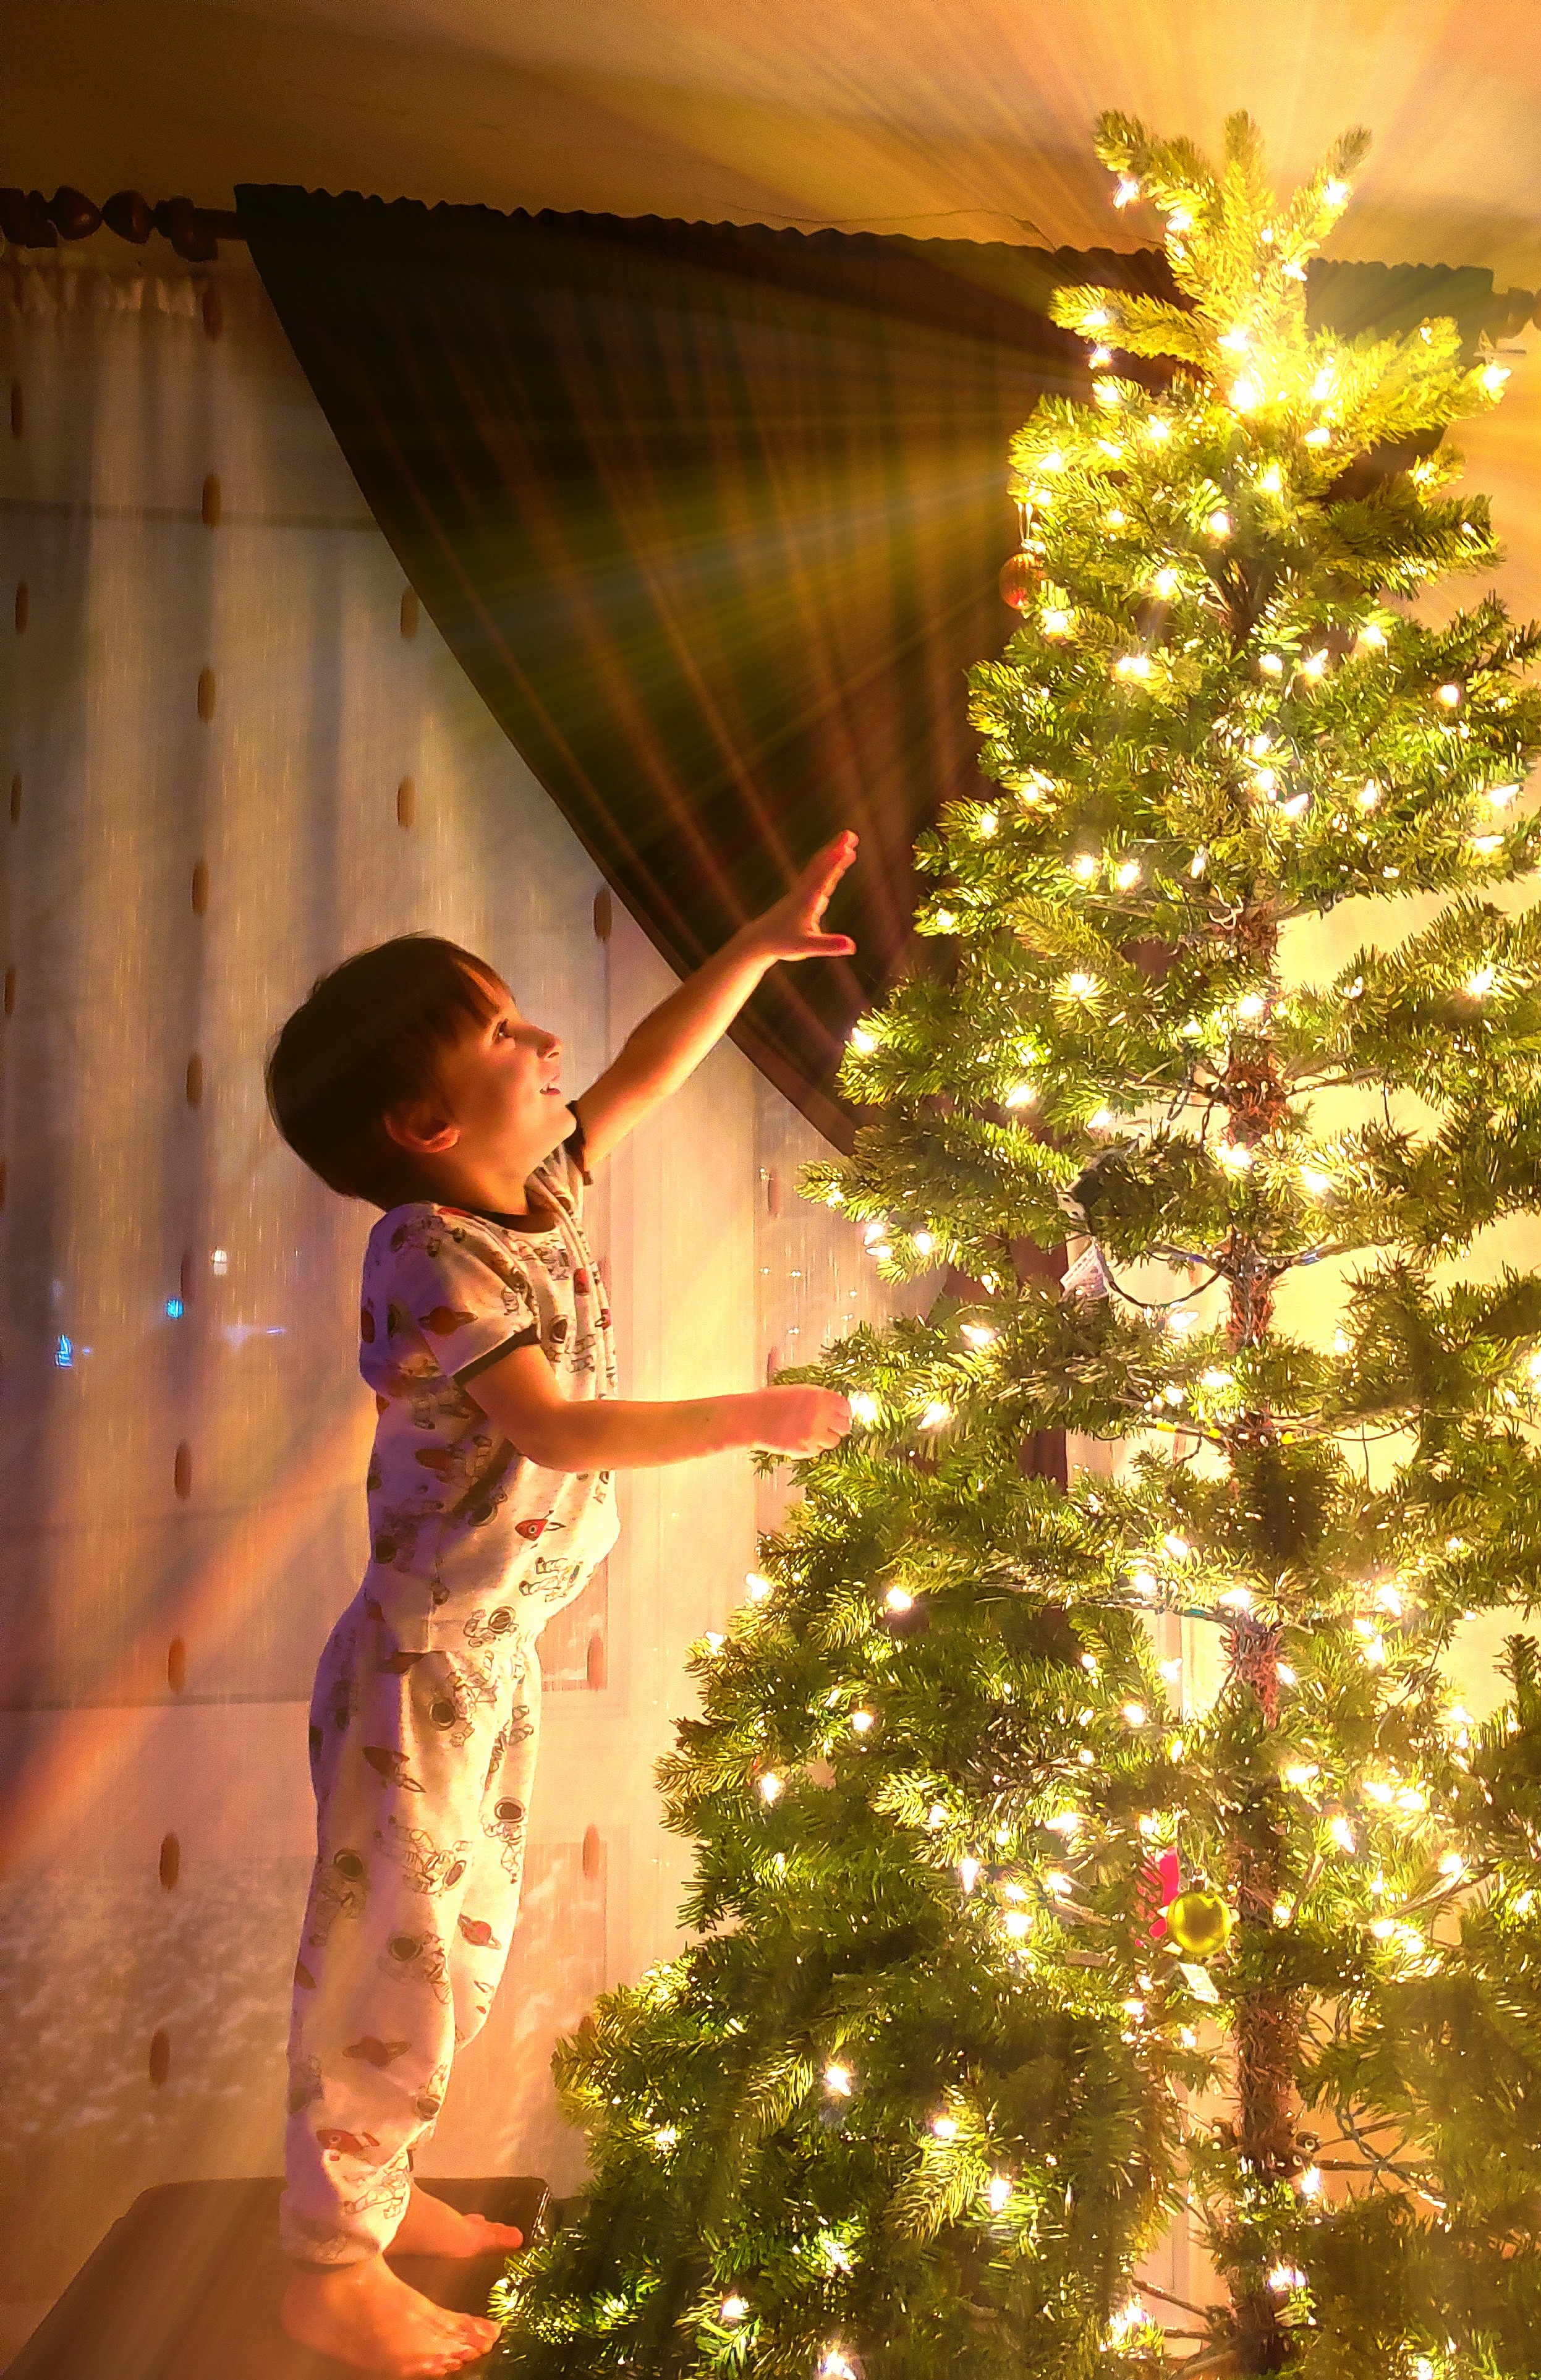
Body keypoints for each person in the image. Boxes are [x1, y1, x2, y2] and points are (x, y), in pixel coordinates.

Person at [263, 836, 859, 2376]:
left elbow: (646, 1072)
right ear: (425, 1122)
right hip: (418, 1670)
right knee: (387, 1963)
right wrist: (748, 1416)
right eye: (507, 1033)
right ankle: (325, 2262)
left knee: (450, 1950)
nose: (546, 1046)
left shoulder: (522, 1190)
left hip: (488, 1656)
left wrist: (752, 944)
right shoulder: (428, 1251)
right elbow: (553, 1427)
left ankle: (379, 2203)